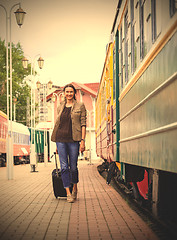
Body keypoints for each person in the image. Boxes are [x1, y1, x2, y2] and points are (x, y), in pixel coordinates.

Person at [51, 84, 87, 203]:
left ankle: (75, 187)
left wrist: (83, 141)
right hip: (61, 139)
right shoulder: (60, 106)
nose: (69, 94)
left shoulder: (80, 105)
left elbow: (83, 124)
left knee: (73, 167)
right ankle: (68, 193)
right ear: (64, 93)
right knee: (64, 167)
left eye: (71, 92)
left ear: (74, 93)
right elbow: (59, 124)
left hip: (74, 140)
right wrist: (56, 144)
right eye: (67, 92)